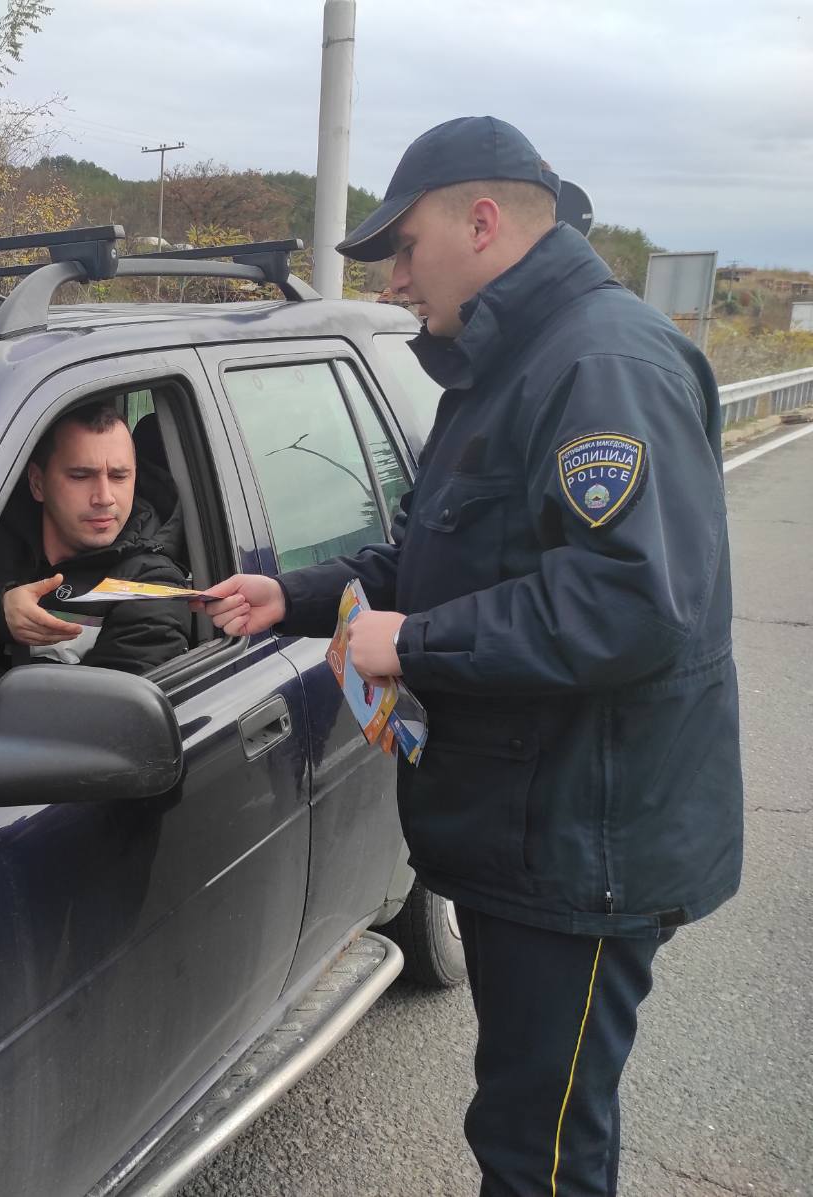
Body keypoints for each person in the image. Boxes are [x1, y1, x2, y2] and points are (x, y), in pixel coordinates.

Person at [199, 116, 742, 1196]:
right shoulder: (510, 365)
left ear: (482, 222)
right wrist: (297, 597)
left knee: (541, 1151)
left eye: (403, 248)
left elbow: (635, 605)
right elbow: (442, 557)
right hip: (532, 826)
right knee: (525, 1124)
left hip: (580, 843)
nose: (393, 280)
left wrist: (417, 641)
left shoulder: (600, 365)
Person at [0, 401, 190, 690]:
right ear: (37, 483)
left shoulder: (152, 587)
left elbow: (105, 709)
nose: (104, 497)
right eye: (81, 476)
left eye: (119, 476)